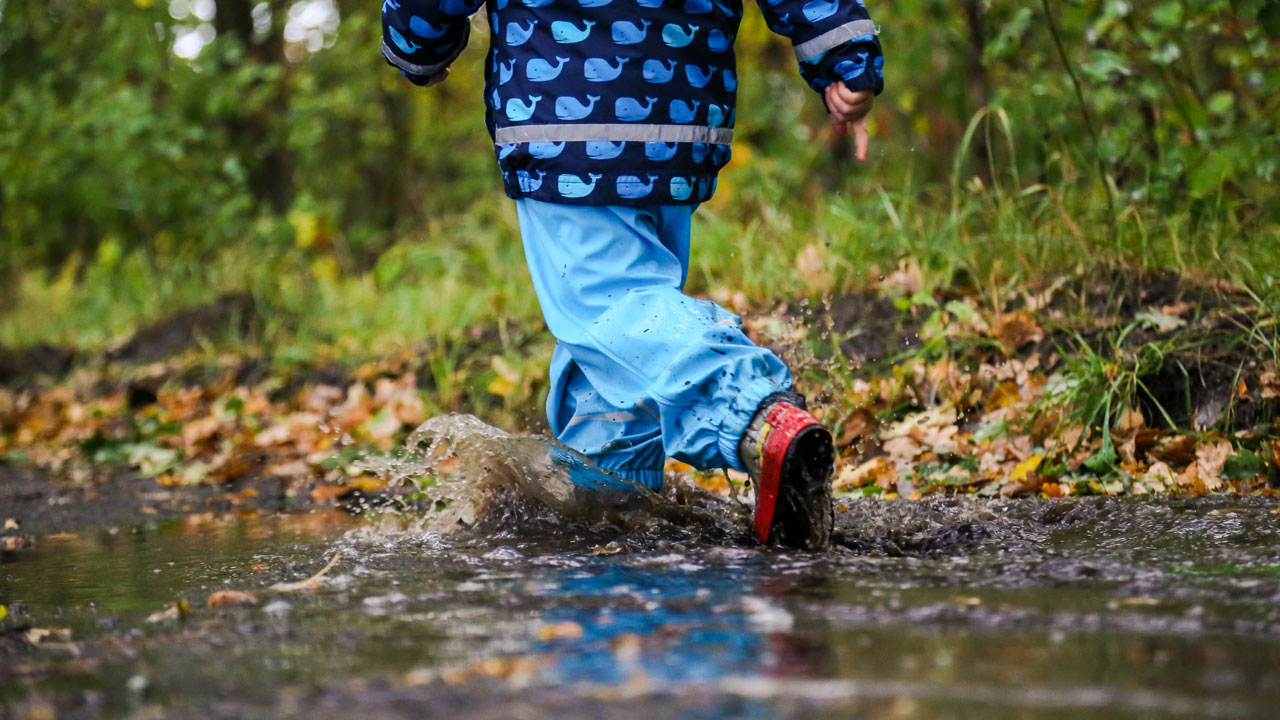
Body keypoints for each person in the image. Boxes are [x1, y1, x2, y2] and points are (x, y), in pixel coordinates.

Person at [381, 0, 883, 549]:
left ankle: (750, 411)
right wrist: (844, 53)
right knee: (621, 340)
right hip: (682, 121)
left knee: (607, 309)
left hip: (566, 127)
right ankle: (614, 511)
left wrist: (417, 45)